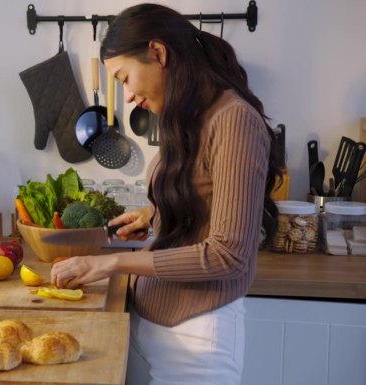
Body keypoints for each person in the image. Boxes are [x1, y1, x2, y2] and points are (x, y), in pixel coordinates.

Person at [50, 4, 282, 385]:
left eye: (125, 78)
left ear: (158, 53)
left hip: (198, 346)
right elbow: (204, 196)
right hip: (169, 336)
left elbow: (228, 255)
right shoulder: (190, 117)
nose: (126, 96)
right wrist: (154, 213)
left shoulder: (233, 120)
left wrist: (110, 264)